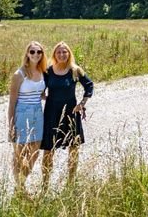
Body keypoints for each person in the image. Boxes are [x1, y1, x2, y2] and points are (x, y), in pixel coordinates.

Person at [41, 41, 94, 187]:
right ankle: (45, 184)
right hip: (51, 113)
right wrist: (42, 95)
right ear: (54, 55)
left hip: (71, 113)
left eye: (65, 52)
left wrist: (82, 104)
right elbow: (40, 86)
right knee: (48, 149)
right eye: (59, 52)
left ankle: (71, 183)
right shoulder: (48, 71)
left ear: (69, 53)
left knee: (74, 147)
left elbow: (89, 85)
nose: (62, 54)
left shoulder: (75, 70)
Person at [7, 41, 47, 194]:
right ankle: (20, 188)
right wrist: (11, 125)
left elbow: (40, 93)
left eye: (39, 52)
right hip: (22, 114)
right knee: (20, 153)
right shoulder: (19, 74)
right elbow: (12, 102)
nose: (36, 54)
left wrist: (50, 98)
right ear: (27, 54)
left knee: (35, 151)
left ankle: (23, 180)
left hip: (38, 113)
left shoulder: (43, 72)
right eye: (32, 52)